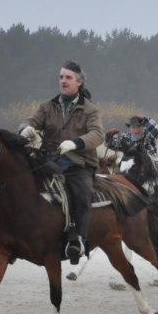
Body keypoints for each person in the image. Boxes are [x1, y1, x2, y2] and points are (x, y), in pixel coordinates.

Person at [19, 60, 104, 264]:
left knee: (82, 193)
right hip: (50, 161)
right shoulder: (47, 106)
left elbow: (98, 135)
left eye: (68, 78)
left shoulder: (90, 110)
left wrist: (76, 143)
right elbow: (29, 121)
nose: (63, 81)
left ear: (79, 83)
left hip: (79, 164)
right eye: (61, 77)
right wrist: (25, 129)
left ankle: (79, 241)